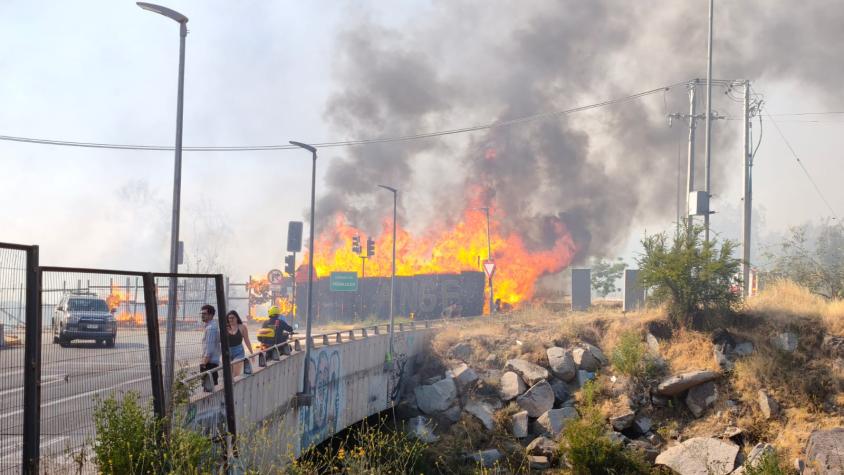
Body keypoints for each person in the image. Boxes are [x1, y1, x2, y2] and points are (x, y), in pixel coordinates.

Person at [226, 310, 253, 377]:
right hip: (227, 352)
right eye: (229, 318)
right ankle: (230, 387)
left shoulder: (242, 327)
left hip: (239, 352)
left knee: (236, 375)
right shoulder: (225, 328)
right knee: (228, 376)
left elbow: (247, 340)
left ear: (236, 318)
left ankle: (236, 386)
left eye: (233, 318)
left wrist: (251, 353)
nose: (231, 319)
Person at [200, 304, 221, 389]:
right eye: (201, 313)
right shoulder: (211, 326)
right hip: (211, 362)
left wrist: (203, 364)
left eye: (204, 313)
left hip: (209, 363)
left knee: (209, 388)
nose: (202, 315)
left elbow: (210, 349)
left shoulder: (211, 328)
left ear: (211, 315)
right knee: (210, 387)